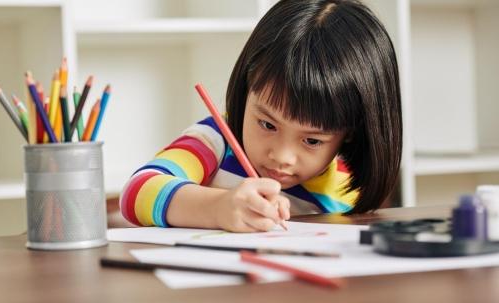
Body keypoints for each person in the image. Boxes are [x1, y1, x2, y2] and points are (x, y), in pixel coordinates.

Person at [118, 0, 402, 232]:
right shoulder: (215, 140)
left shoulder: (345, 186)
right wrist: (218, 209)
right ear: (247, 84)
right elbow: (137, 191)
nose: (281, 156)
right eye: (267, 124)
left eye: (312, 141)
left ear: (350, 131)